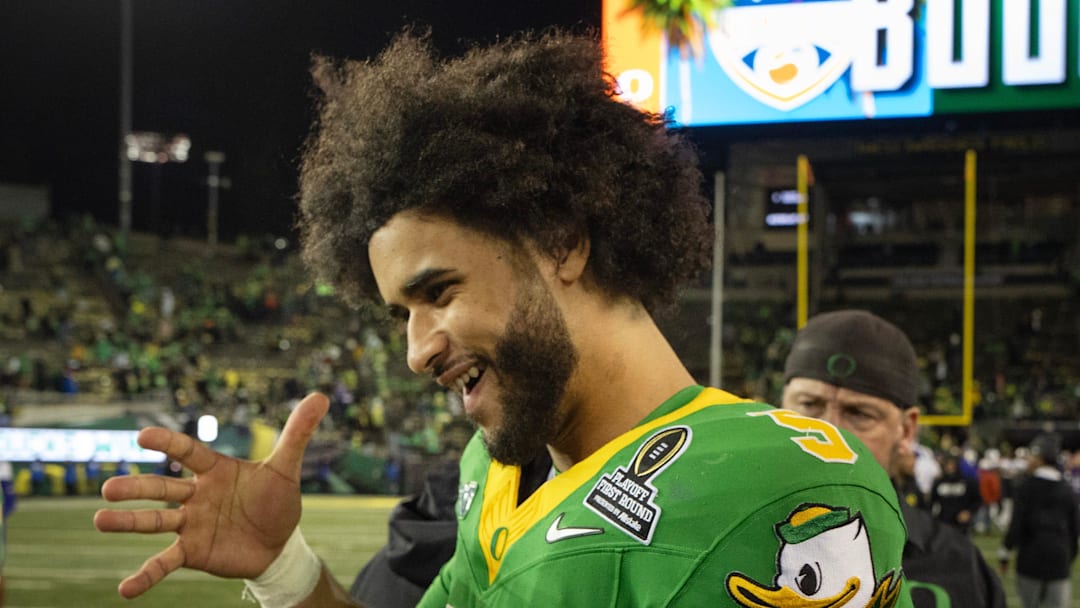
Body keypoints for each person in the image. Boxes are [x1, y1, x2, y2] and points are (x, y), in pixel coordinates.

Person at [94, 31, 912, 607]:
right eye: (401, 314)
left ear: (562, 242)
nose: (416, 351)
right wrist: (286, 573)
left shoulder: (783, 492)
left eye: (439, 292)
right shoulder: (496, 472)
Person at [781, 309, 1005, 608]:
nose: (828, 432)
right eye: (809, 404)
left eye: (859, 413)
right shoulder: (734, 541)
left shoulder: (960, 569)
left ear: (906, 430)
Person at [999, 433, 1079, 608]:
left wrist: (1005, 551)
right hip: (1059, 560)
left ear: (1039, 458)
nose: (1028, 459)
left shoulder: (1026, 487)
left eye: (1031, 455)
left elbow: (1016, 524)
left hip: (1030, 560)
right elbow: (1074, 530)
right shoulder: (1067, 489)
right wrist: (1069, 557)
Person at [931, 452, 982, 535]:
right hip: (943, 523)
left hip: (961, 525)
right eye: (947, 464)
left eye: (952, 464)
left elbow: (978, 500)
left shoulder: (967, 482)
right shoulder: (939, 482)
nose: (949, 467)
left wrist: (969, 512)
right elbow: (932, 501)